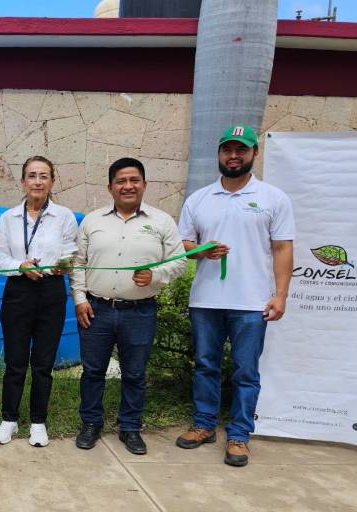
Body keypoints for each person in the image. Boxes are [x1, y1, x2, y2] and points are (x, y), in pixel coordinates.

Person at [175, 125, 294, 467]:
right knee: (206, 366)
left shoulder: (273, 198)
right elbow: (183, 245)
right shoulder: (198, 199)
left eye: (241, 150)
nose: (234, 155)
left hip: (252, 302)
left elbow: (283, 247)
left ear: (254, 154)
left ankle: (239, 435)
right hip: (206, 301)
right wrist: (202, 251)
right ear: (219, 154)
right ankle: (204, 425)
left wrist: (281, 295)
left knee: (245, 371)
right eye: (228, 149)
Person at [70, 157, 186, 454]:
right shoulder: (92, 221)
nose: (128, 186)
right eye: (121, 181)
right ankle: (91, 424)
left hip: (140, 311)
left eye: (134, 180)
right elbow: (78, 263)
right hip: (97, 310)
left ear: (144, 184)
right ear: (110, 187)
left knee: (135, 373)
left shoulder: (161, 222)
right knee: (93, 371)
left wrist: (155, 275)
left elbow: (178, 263)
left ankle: (130, 427)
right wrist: (80, 300)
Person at [0, 156, 78, 447]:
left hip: (51, 291)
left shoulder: (64, 216)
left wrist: (62, 264)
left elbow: (71, 251)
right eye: (32, 176)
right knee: (15, 361)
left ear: (52, 181)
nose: (37, 182)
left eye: (43, 176)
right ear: (23, 182)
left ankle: (38, 422)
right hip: (18, 291)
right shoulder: (8, 218)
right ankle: (9, 419)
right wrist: (20, 266)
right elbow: (0, 258)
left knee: (43, 363)